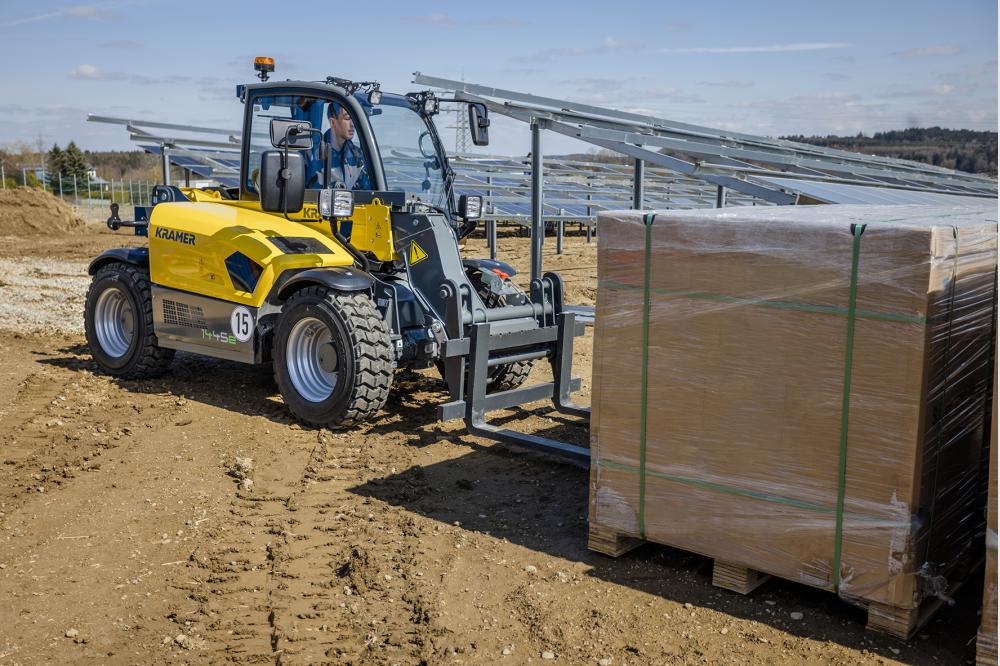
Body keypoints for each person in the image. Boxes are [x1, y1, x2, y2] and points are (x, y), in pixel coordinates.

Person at [319, 101, 371, 190]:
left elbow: (367, 190)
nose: (352, 124)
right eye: (347, 118)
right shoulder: (315, 155)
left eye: (354, 119)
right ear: (332, 122)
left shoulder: (357, 156)